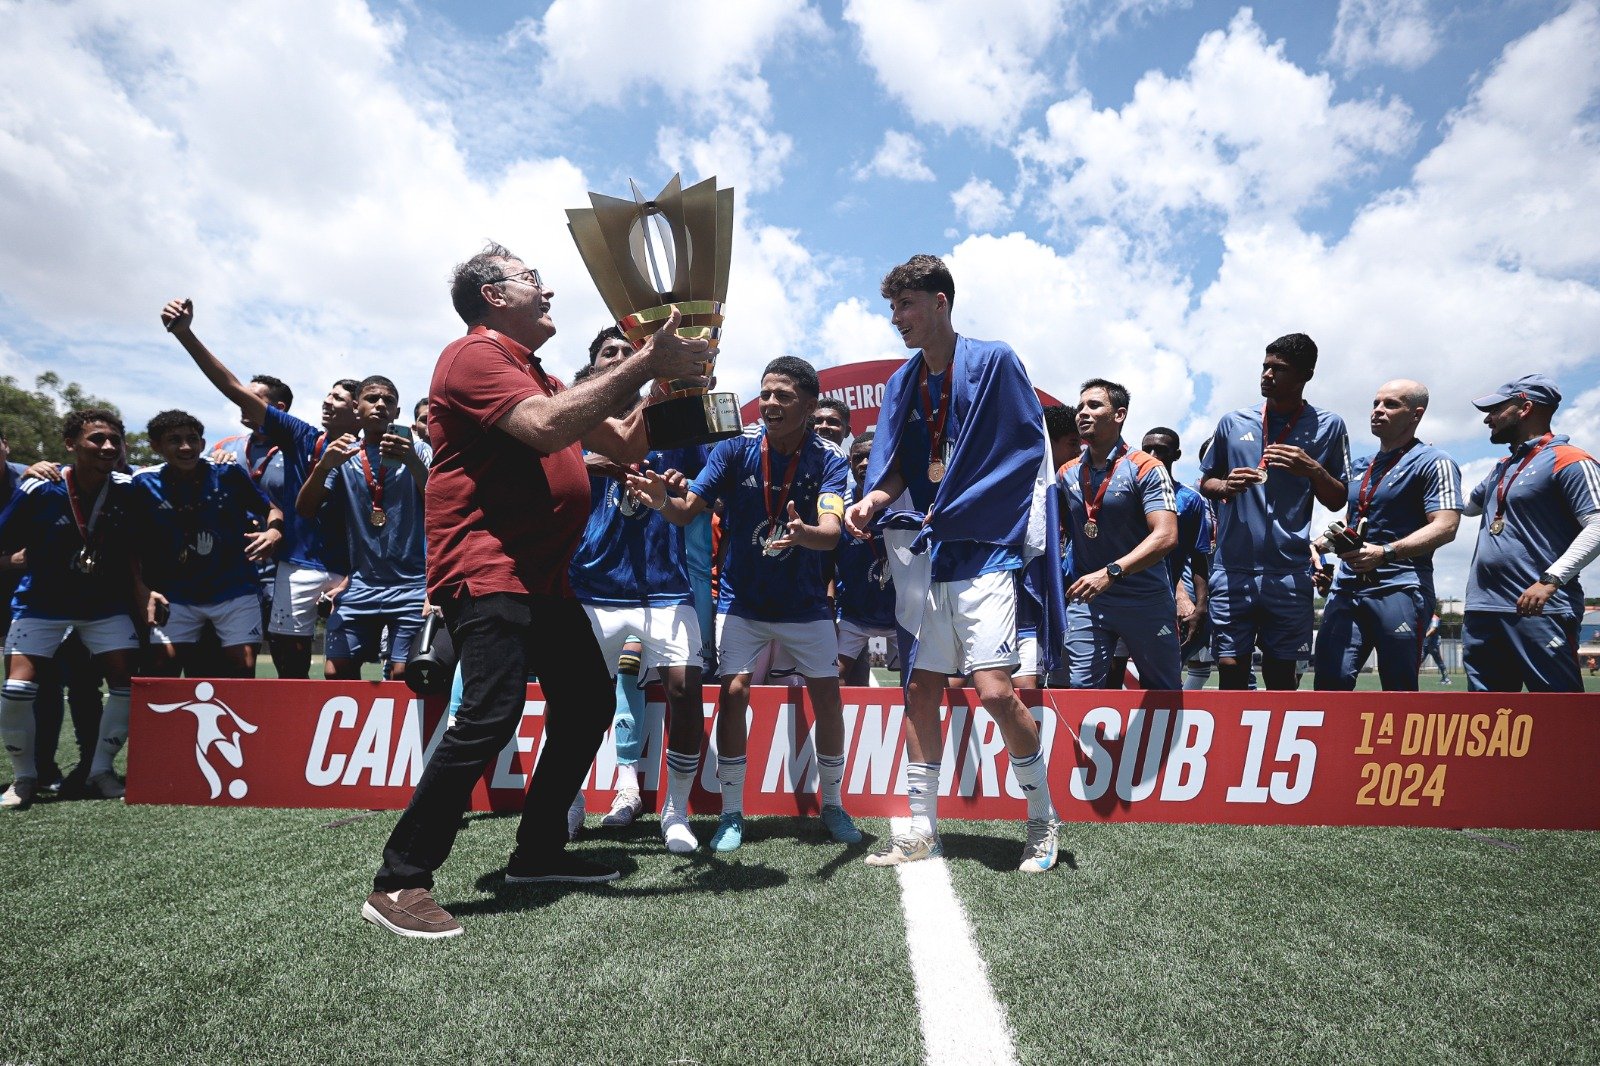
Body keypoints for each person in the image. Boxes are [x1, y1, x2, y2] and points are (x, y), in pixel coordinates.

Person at [362, 241, 710, 939]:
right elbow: (547, 430)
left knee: (584, 704)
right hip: (489, 569)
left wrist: (671, 383)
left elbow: (626, 443)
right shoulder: (474, 357)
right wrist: (646, 361)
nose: (546, 292)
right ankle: (399, 880)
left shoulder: (538, 373)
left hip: (541, 580)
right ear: (493, 296)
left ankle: (539, 852)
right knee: (489, 716)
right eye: (532, 281)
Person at [844, 254, 1061, 872]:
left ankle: (1042, 818)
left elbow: (1025, 451)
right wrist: (874, 501)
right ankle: (920, 829)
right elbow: (897, 469)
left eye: (907, 305)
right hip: (927, 557)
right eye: (892, 308)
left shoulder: (993, 359)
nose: (898, 319)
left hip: (985, 550)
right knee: (919, 690)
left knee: (994, 692)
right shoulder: (903, 382)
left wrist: (964, 506)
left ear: (941, 302)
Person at [630, 356, 861, 853]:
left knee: (828, 698)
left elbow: (831, 534)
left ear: (810, 404)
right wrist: (660, 502)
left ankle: (834, 803)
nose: (772, 403)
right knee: (733, 693)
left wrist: (804, 534)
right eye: (767, 393)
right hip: (743, 601)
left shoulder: (829, 459)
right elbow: (687, 510)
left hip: (805, 606)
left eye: (784, 396)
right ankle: (733, 811)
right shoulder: (735, 449)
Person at [162, 298, 361, 679]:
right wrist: (186, 334)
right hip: (296, 566)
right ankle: (293, 738)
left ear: (358, 411)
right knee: (290, 670)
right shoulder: (302, 436)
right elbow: (235, 389)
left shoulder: (374, 454)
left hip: (348, 571)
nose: (326, 400)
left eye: (337, 397)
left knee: (341, 673)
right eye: (328, 393)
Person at [566, 354, 709, 852]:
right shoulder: (576, 418)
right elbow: (541, 467)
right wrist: (588, 463)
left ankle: (675, 810)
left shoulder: (678, 424)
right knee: (574, 700)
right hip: (592, 583)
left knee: (686, 688)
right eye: (611, 359)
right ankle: (570, 801)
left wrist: (676, 492)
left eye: (630, 359)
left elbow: (694, 502)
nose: (621, 367)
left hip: (665, 584)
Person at [0, 410, 140, 809]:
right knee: (17, 688)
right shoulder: (38, 489)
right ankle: (24, 779)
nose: (108, 446)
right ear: (71, 444)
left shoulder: (129, 489)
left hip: (104, 606)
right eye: (97, 439)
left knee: (126, 685)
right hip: (42, 603)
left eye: (114, 439)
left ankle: (100, 770)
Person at [1199, 333, 1350, 690]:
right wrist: (1225, 486)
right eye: (1265, 366)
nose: (1267, 374)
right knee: (1231, 670)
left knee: (1282, 676)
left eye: (1278, 369)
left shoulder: (1329, 425)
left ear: (1305, 375)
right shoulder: (1233, 422)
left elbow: (1337, 499)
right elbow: (1205, 481)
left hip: (1288, 573)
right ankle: (1231, 747)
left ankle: (1277, 748)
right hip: (1232, 570)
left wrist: (1312, 469)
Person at [1312, 381, 1461, 691]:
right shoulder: (1361, 466)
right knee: (1329, 684)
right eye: (1376, 403)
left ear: (1415, 415)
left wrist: (1385, 552)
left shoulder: (1435, 461)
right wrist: (1323, 543)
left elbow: (1446, 525)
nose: (1378, 410)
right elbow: (1356, 520)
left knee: (1399, 689)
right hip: (1346, 589)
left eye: (1391, 404)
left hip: (1401, 587)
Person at [1461, 375, 1600, 692]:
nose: (1488, 418)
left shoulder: (1570, 460)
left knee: (1558, 717)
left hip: (1539, 608)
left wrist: (1550, 581)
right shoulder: (1502, 466)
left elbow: (1598, 525)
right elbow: (1464, 507)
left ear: (1525, 408)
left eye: (1496, 409)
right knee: (1486, 725)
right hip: (1483, 609)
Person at [296, 375, 430, 682]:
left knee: (402, 673)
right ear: (356, 408)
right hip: (361, 583)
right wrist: (323, 466)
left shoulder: (419, 451)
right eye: (372, 398)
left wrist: (410, 459)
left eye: (389, 400)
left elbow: (440, 502)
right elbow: (305, 509)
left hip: (411, 583)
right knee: (336, 670)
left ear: (397, 413)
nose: (381, 404)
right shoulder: (343, 454)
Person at [132, 410, 283, 678]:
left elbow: (272, 510)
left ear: (203, 443)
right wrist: (142, 589)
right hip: (175, 594)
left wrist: (272, 533)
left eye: (193, 439)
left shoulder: (227, 472)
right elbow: (130, 543)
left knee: (243, 665)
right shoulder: (142, 484)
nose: (186, 447)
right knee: (161, 669)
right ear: (156, 446)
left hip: (234, 589)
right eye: (174, 440)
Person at [1058, 382, 1180, 689]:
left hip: (1147, 601)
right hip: (1089, 601)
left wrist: (1111, 572)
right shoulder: (1066, 473)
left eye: (1094, 406)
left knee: (1163, 694)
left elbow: (1166, 536)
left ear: (1119, 415)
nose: (1083, 412)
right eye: (1081, 406)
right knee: (1080, 693)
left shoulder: (1147, 468)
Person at [1107, 427, 1213, 688]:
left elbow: (1198, 557)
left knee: (1159, 684)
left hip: (1159, 605)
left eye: (1162, 450)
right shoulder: (1121, 496)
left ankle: (1155, 730)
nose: (1153, 455)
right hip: (1117, 598)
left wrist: (1200, 605)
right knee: (1110, 679)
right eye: (1147, 449)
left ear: (1176, 455)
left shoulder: (1189, 500)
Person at [835, 433, 900, 685]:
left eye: (870, 457)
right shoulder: (841, 507)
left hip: (899, 618)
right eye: (857, 458)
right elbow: (828, 563)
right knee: (835, 679)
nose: (863, 463)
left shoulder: (904, 501)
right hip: (855, 618)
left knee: (902, 684)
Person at [1422, 613, 1449, 683]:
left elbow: (1433, 630)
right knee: (1418, 661)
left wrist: (1423, 636)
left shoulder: (1434, 618)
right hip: (1425, 644)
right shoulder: (1426, 618)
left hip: (1433, 645)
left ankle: (1446, 679)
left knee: (1439, 662)